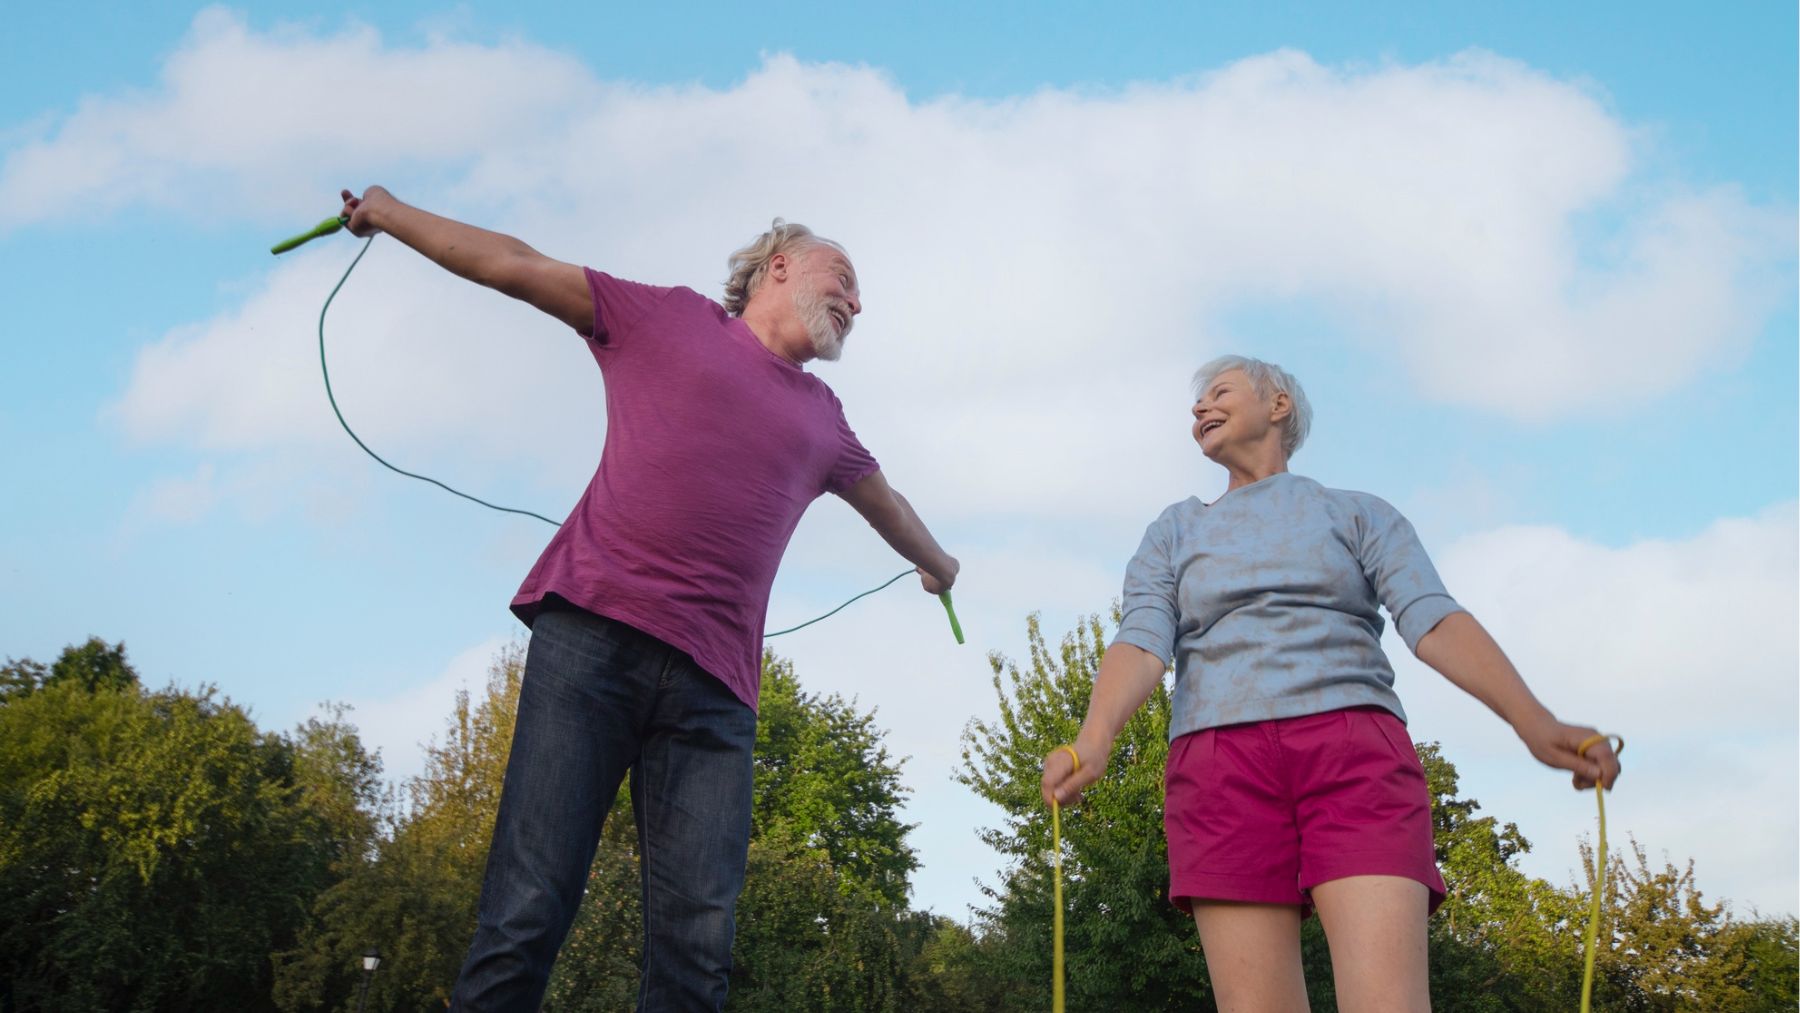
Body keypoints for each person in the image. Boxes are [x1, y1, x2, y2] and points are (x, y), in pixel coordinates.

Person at [337, 187, 959, 1011]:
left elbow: (889, 505)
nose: (856, 300)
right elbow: (514, 265)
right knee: (527, 909)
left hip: (715, 700)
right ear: (779, 266)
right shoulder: (665, 318)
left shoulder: (825, 419)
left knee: (697, 953)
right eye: (841, 276)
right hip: (590, 644)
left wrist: (938, 564)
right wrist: (388, 212)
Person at [1039, 355, 1620, 1012]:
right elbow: (1143, 639)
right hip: (1218, 767)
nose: (1199, 408)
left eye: (1218, 392)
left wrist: (1533, 721)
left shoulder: (1359, 515)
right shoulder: (1174, 530)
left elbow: (1432, 618)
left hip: (1354, 752)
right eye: (1196, 403)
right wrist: (1095, 737)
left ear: (1278, 404)